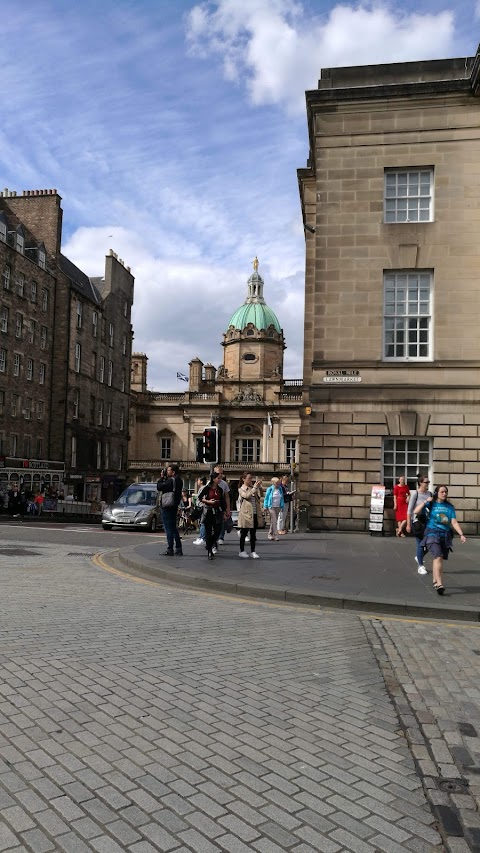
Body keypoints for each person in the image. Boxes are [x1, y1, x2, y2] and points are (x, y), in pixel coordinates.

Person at [420, 485, 466, 595]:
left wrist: (461, 534)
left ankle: (435, 580)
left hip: (444, 534)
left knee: (438, 559)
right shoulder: (431, 504)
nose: (444, 494)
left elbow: (453, 522)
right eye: (442, 492)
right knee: (438, 556)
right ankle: (440, 584)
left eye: (446, 492)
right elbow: (416, 511)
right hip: (432, 533)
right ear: (437, 493)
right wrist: (426, 501)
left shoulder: (449, 507)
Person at [406, 476, 432, 574]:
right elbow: (409, 510)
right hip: (417, 522)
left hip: (428, 522)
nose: (428, 483)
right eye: (426, 482)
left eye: (428, 482)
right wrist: (408, 524)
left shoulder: (430, 494)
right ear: (420, 483)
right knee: (420, 544)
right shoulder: (415, 494)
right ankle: (420, 566)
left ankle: (419, 556)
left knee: (430, 544)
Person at [198, 472, 226, 560]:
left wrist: (225, 511)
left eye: (220, 478)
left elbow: (222, 501)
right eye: (218, 478)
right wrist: (208, 501)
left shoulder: (220, 489)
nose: (220, 480)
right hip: (209, 511)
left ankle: (210, 543)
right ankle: (210, 550)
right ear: (214, 479)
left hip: (217, 511)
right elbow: (200, 497)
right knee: (208, 531)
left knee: (218, 530)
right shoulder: (207, 488)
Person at [157, 464, 183, 556]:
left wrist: (161, 478)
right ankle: (179, 548)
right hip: (174, 505)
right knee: (173, 527)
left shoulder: (170, 480)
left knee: (168, 528)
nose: (166, 472)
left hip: (167, 505)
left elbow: (159, 487)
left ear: (173, 472)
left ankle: (170, 548)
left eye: (168, 470)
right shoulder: (179, 480)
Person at [238, 472, 264, 559]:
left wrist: (259, 487)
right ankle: (242, 550)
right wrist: (254, 488)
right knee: (244, 533)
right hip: (246, 514)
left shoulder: (253, 488)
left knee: (253, 534)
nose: (250, 480)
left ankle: (253, 551)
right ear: (243, 479)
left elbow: (261, 496)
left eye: (251, 478)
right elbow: (246, 496)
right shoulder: (241, 489)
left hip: (254, 513)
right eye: (249, 478)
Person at [213, 465, 231, 544]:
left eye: (221, 473)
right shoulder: (209, 484)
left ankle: (221, 537)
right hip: (212, 505)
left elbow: (227, 497)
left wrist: (228, 509)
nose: (220, 475)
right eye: (218, 473)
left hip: (221, 505)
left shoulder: (224, 484)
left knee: (222, 522)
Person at [193, 477, 208, 545]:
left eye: (198, 480)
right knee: (201, 522)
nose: (197, 481)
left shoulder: (204, 488)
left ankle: (203, 538)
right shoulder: (201, 488)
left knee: (203, 523)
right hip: (200, 507)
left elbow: (203, 498)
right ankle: (201, 537)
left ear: (201, 481)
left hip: (202, 507)